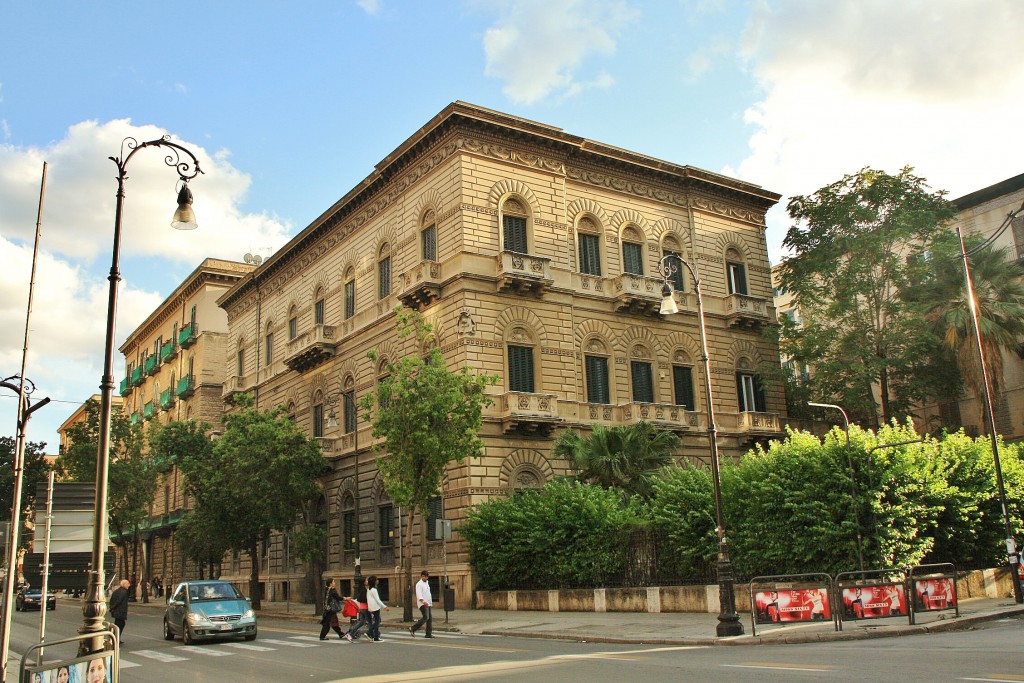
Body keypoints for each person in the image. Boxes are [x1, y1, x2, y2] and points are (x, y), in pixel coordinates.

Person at [343, 576, 370, 642]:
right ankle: (370, 634)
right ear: (364, 582)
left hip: (361, 608)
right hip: (364, 607)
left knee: (361, 622)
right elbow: (361, 599)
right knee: (371, 621)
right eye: (366, 580)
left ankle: (350, 634)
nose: (367, 581)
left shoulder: (362, 589)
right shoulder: (364, 590)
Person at [410, 570, 433, 638]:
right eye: (422, 576)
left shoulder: (427, 583)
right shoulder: (419, 584)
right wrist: (423, 601)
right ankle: (413, 628)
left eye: (425, 576)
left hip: (428, 603)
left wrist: (429, 602)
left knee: (429, 619)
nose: (423, 577)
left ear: (427, 577)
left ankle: (428, 634)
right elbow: (419, 594)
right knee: (426, 617)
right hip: (422, 603)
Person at [366, 575, 390, 642]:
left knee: (377, 621)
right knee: (377, 622)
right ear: (374, 582)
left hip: (371, 607)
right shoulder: (374, 590)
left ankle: (370, 633)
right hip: (375, 607)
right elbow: (378, 600)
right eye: (376, 580)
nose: (378, 581)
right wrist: (384, 606)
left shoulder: (369, 589)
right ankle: (375, 637)